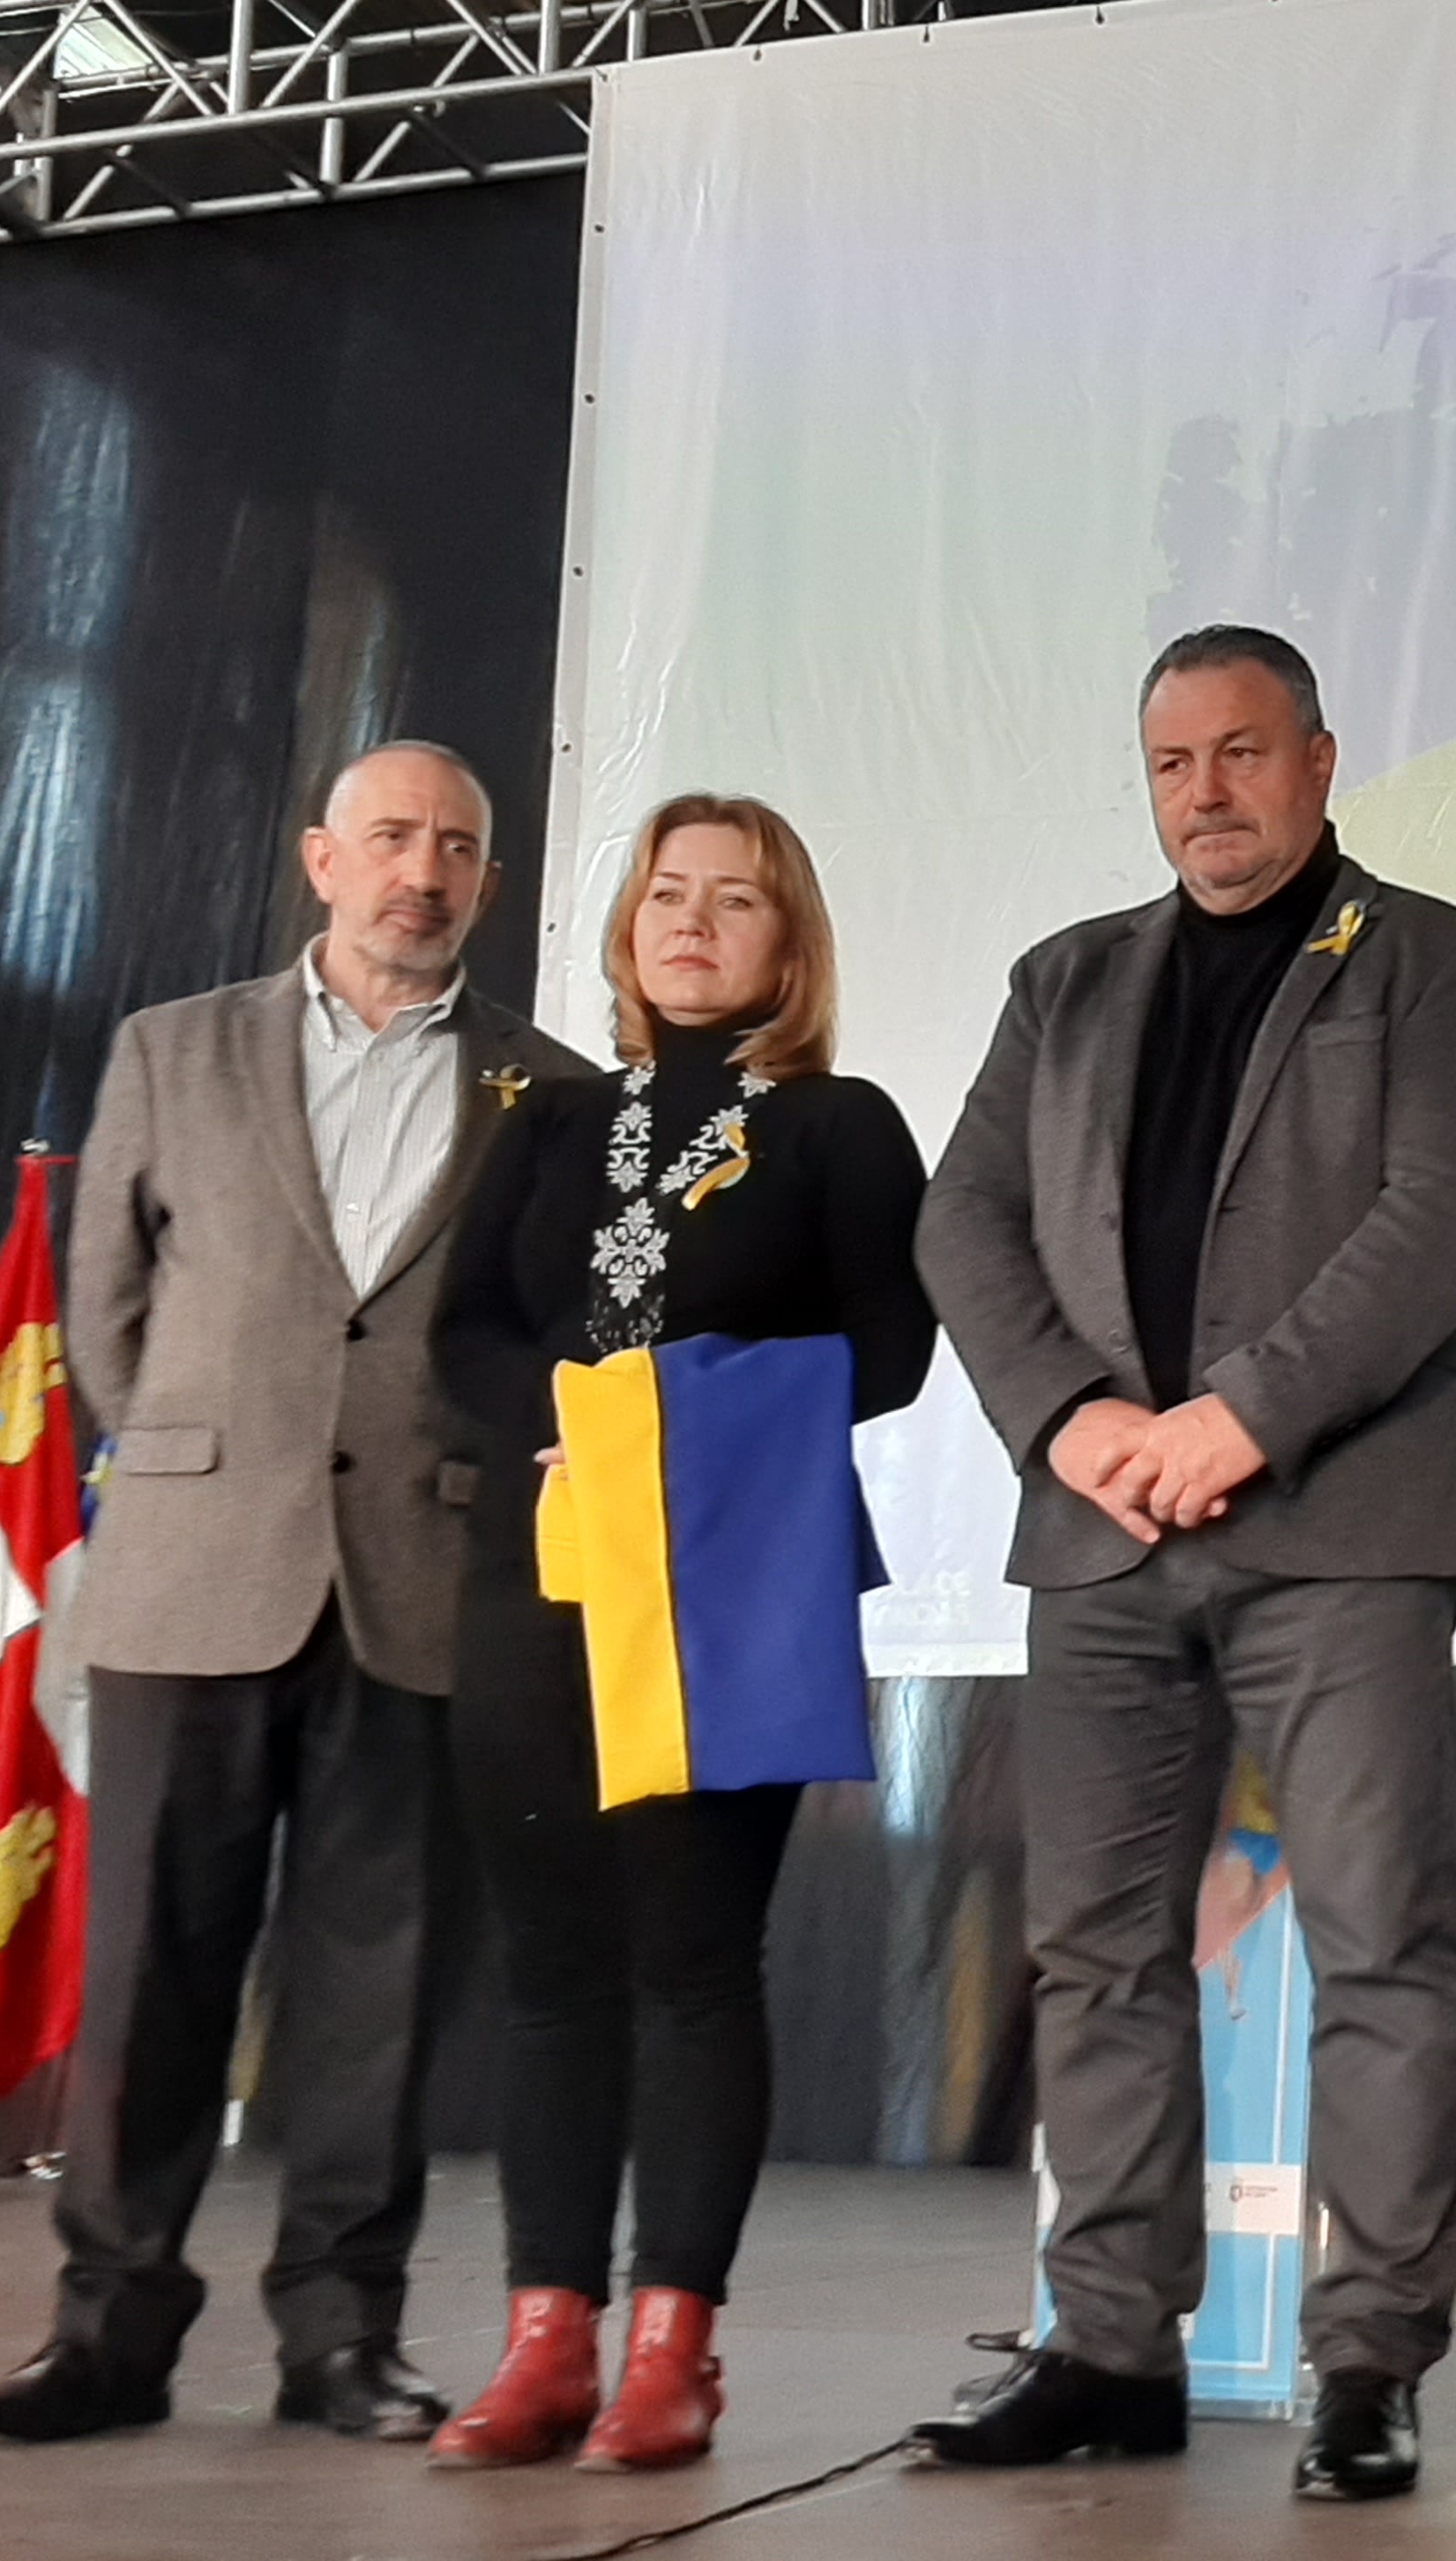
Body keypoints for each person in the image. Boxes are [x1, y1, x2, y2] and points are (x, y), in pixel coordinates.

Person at [909, 624, 1456, 2504]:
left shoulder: (1426, 956)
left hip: (1337, 1524)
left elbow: (1445, 1211)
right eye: (1173, 761)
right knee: (1092, 1953)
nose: (1207, 792)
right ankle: (1107, 2345)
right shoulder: (1067, 979)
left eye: (1243, 753)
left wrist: (1238, 1415)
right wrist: (1072, 1422)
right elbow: (965, 1218)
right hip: (1097, 1531)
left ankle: (1367, 2367)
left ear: (1319, 762)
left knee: (1378, 1943)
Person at [0, 743, 586, 2447]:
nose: (422, 873)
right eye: (391, 839)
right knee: (153, 1967)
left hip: (425, 1578)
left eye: (457, 849)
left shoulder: (550, 1087)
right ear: (322, 857)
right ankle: (108, 2332)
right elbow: (110, 1320)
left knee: (381, 1990)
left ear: (489, 885)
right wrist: (214, 1463)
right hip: (196, 1571)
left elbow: (540, 1339)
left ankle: (341, 2339)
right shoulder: (175, 1047)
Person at [421, 794, 931, 2471]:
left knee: (693, 1965)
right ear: (627, 926)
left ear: (792, 943)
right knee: (553, 1975)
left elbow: (890, 1352)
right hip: (543, 1573)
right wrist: (567, 1417)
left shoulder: (839, 1124)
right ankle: (544, 2341)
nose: (691, 923)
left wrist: (688, 1428)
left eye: (735, 900)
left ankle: (672, 2354)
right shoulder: (549, 1118)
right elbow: (468, 1331)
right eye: (665, 895)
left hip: (727, 1575)